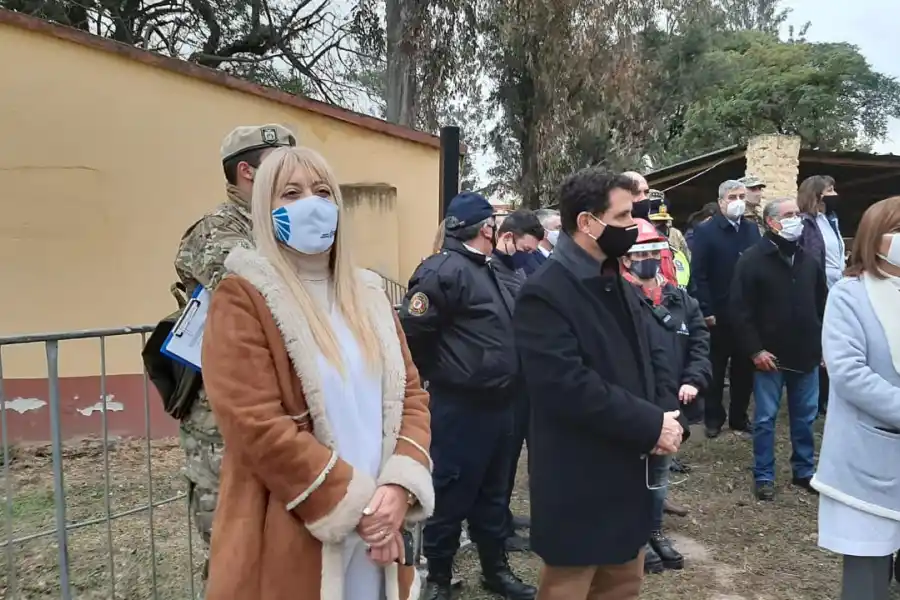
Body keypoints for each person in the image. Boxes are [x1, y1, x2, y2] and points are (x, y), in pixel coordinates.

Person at [199, 146, 434, 599]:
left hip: (378, 537)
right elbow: (255, 424)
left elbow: (410, 396)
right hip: (292, 532)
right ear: (265, 208)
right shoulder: (244, 298)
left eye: (323, 191)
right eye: (291, 193)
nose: (312, 202)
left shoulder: (369, 295)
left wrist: (397, 489)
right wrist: (357, 506)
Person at [513, 168, 684, 600]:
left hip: (626, 468)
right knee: (570, 588)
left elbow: (644, 356)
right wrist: (648, 423)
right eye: (623, 217)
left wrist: (662, 411)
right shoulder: (545, 293)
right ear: (588, 223)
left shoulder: (614, 279)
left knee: (622, 586)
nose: (633, 226)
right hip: (579, 479)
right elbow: (568, 386)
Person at [172, 123, 296, 591]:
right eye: (280, 168)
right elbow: (265, 299)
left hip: (275, 408)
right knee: (233, 547)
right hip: (222, 421)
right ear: (247, 172)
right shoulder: (218, 231)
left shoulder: (278, 227)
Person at [400, 192, 536, 600]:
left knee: (493, 494)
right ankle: (438, 578)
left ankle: (496, 569)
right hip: (461, 408)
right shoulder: (442, 270)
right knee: (450, 493)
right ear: (486, 228)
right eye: (493, 223)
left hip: (501, 405)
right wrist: (446, 373)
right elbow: (413, 334)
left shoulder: (488, 269)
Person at [811, 196, 900, 600]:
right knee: (868, 579)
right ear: (874, 238)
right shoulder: (850, 295)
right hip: (868, 459)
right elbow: (849, 374)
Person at [621, 219, 712, 573]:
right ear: (626, 258)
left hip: (673, 405)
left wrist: (693, 380)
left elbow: (700, 343)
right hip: (636, 404)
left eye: (652, 252)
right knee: (632, 471)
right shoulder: (619, 300)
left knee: (659, 473)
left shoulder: (681, 300)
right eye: (639, 253)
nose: (647, 259)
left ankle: (654, 529)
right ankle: (636, 535)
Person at [731, 198, 827, 501]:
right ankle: (764, 475)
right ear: (772, 222)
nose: (796, 219)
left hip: (806, 355)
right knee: (765, 419)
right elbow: (739, 311)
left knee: (805, 417)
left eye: (797, 213)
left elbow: (822, 306)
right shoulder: (751, 261)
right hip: (769, 358)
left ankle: (804, 471)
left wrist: (823, 346)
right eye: (789, 214)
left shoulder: (808, 260)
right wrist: (755, 350)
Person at [690, 180, 761, 439]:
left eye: (742, 196)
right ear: (721, 202)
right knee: (716, 370)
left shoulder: (752, 230)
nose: (738, 201)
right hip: (718, 314)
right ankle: (713, 419)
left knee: (744, 369)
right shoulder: (706, 232)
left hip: (746, 313)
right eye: (732, 197)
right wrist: (706, 309)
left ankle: (739, 417)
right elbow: (698, 275)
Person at [491, 209, 544, 552]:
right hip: (504, 381)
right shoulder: (491, 271)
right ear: (507, 237)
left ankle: (504, 516)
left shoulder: (516, 269)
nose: (528, 256)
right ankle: (497, 527)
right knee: (502, 460)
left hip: (523, 378)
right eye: (525, 249)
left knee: (511, 459)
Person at [798, 175, 845, 416]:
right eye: (829, 190)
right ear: (816, 194)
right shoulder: (805, 223)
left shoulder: (831, 220)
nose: (834, 194)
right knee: (818, 341)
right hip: (818, 288)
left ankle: (827, 396)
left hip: (836, 285)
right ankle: (816, 398)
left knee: (833, 340)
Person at [523, 208, 561, 275]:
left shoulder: (560, 257)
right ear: (543, 231)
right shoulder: (528, 263)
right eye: (558, 228)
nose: (563, 232)